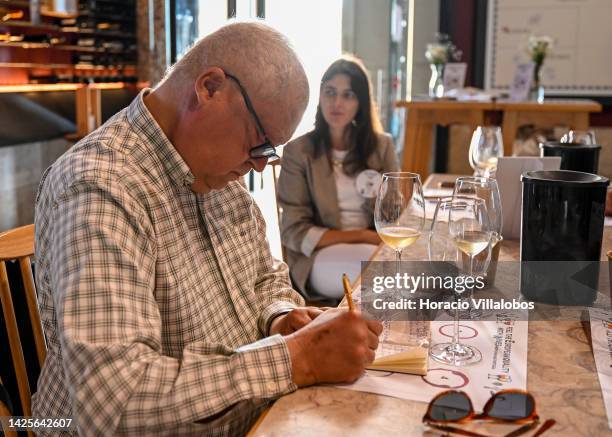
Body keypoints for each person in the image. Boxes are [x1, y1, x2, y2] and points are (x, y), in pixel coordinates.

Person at [32, 23, 382, 436]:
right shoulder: (100, 187)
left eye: (270, 151)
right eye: (259, 141)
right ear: (210, 87)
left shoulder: (214, 172)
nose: (258, 164)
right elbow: (114, 403)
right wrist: (296, 359)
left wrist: (283, 318)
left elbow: (265, 279)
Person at [279, 56, 400, 300]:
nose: (337, 103)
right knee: (388, 282)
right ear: (320, 95)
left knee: (416, 272)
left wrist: (385, 203)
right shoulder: (299, 152)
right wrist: (363, 236)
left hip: (375, 249)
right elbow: (293, 231)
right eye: (330, 92)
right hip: (319, 256)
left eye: (348, 95)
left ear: (361, 103)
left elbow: (399, 216)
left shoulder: (381, 146)